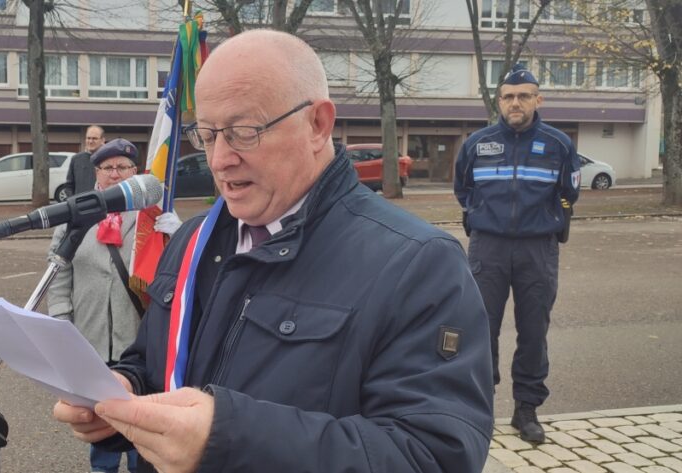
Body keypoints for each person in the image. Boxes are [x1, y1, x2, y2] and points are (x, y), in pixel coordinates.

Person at [53, 30, 494, 473]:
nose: (220, 159)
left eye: (244, 132)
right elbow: (154, 363)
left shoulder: (418, 263)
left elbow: (434, 457)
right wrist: (121, 391)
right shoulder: (191, 241)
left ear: (318, 124)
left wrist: (228, 441)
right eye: (206, 135)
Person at [454, 64, 581, 444]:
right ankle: (482, 408)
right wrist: (482, 217)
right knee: (481, 329)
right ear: (499, 101)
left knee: (533, 331)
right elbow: (463, 189)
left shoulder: (558, 144)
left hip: (537, 249)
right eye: (509, 96)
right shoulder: (478, 143)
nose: (516, 103)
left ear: (538, 100)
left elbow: (569, 193)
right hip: (487, 248)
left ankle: (526, 410)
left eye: (524, 95)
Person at [47, 138, 151, 473]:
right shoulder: (74, 216)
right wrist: (62, 326)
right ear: (97, 173)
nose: (116, 174)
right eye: (109, 168)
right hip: (88, 338)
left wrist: (175, 238)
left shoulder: (151, 218)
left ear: (135, 172)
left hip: (136, 340)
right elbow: (59, 278)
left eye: (124, 167)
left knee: (139, 425)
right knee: (99, 421)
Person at [65, 125, 106, 196]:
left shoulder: (108, 159)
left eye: (94, 138)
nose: (90, 141)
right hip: (80, 205)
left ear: (102, 140)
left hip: (102, 204)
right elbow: (69, 186)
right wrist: (72, 201)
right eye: (88, 138)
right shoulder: (76, 159)